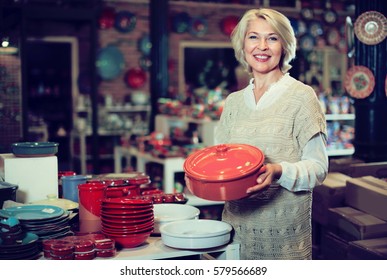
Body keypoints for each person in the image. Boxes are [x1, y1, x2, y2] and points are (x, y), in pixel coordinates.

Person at [214, 8, 328, 260]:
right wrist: (203, 178)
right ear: (242, 45)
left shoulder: (302, 96)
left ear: (284, 46)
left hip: (284, 237)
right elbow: (219, 162)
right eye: (253, 37)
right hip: (236, 232)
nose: (262, 46)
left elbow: (318, 168)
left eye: (272, 38)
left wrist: (278, 170)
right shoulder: (233, 103)